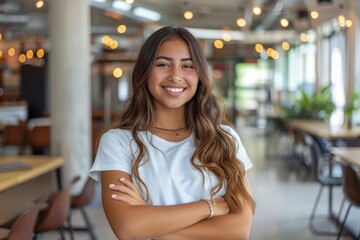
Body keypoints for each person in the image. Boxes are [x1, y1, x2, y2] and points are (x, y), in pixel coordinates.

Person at [89, 26, 255, 240]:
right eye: (163, 64)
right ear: (145, 71)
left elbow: (240, 229)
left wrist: (151, 223)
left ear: (199, 75)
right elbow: (127, 227)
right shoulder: (118, 142)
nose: (175, 76)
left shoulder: (224, 138)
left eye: (187, 66)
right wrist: (211, 207)